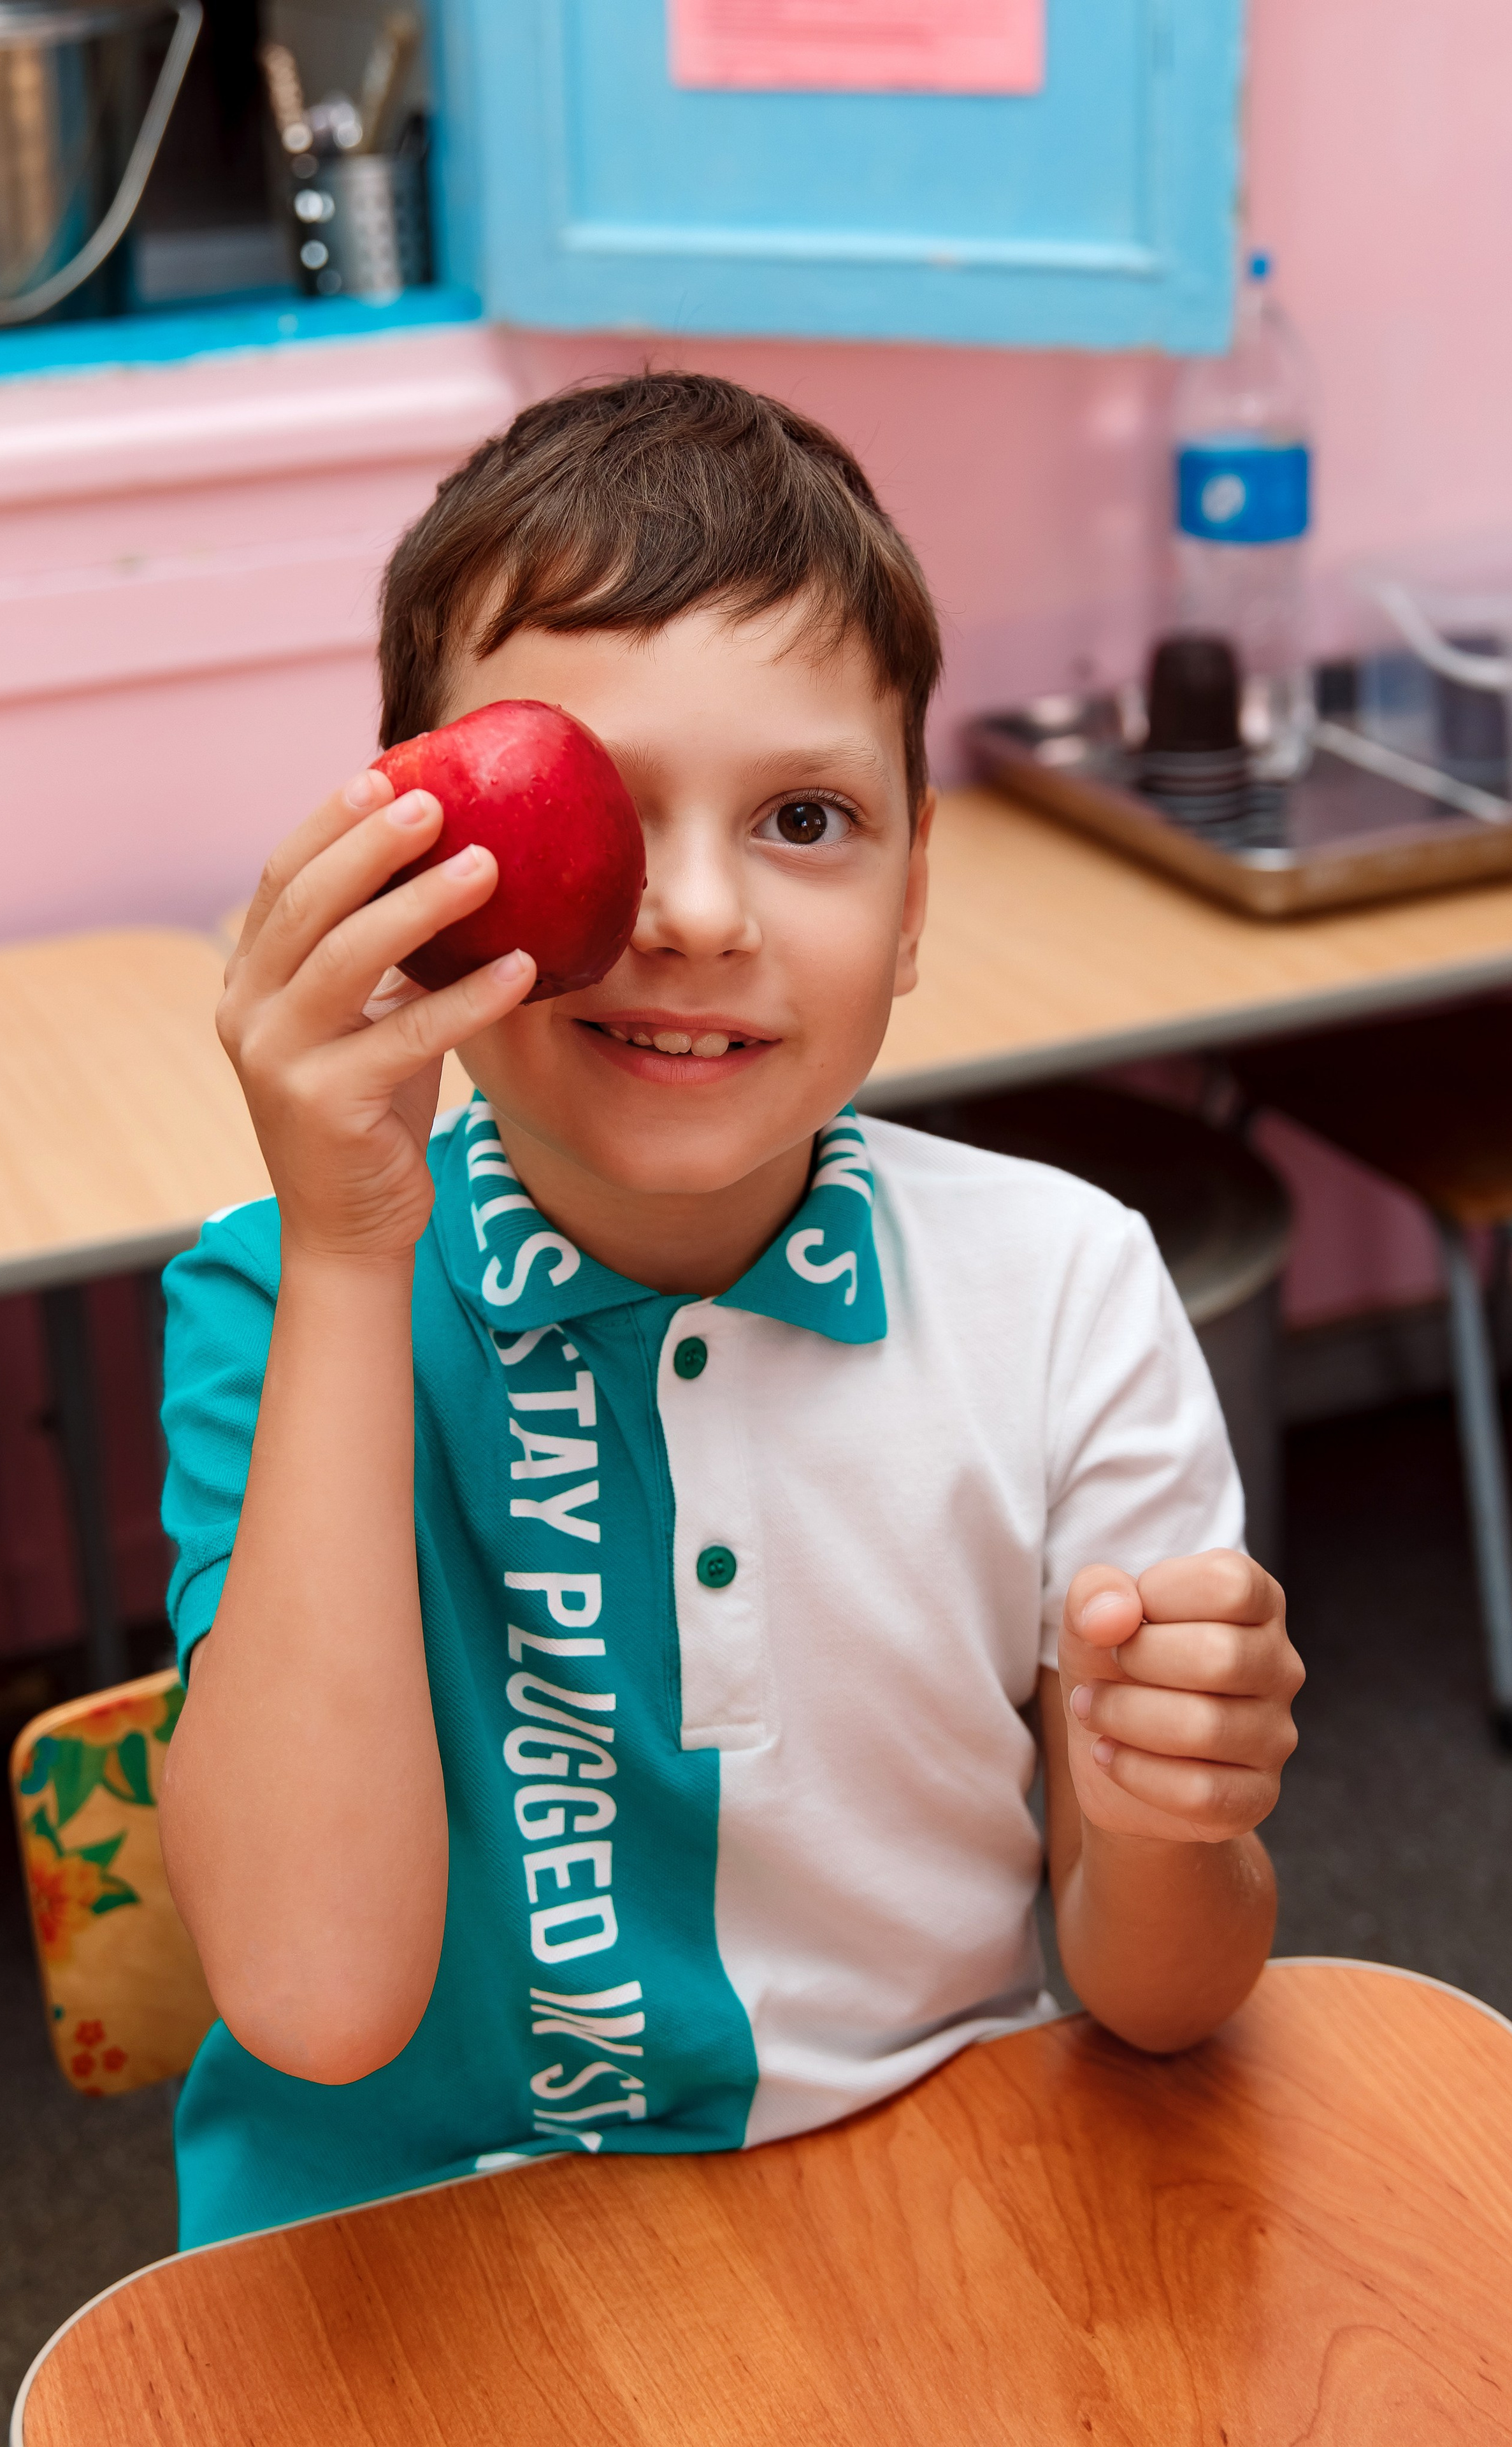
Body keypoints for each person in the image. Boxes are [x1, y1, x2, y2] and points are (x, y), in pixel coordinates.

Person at [157, 373, 1303, 2251]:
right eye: (602, 809)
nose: (693, 912)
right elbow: (313, 1997)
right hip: (408, 2259)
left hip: (908, 2219)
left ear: (916, 893)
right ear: (399, 872)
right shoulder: (284, 1294)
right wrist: (354, 1246)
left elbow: (1161, 1998)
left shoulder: (1065, 1290)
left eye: (803, 816)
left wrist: (1176, 1813)